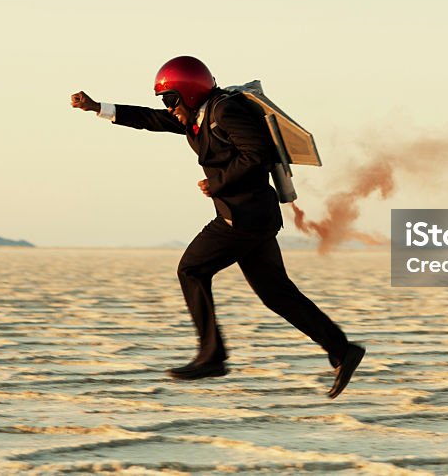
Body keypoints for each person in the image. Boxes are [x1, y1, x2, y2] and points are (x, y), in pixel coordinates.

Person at [70, 56, 365, 398]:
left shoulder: (225, 111)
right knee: (276, 293)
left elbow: (257, 155)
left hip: (243, 218)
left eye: (170, 99)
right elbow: (150, 119)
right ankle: (342, 350)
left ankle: (212, 356)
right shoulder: (197, 115)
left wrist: (218, 183)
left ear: (190, 93)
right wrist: (98, 108)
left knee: (191, 269)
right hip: (253, 217)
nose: (168, 108)